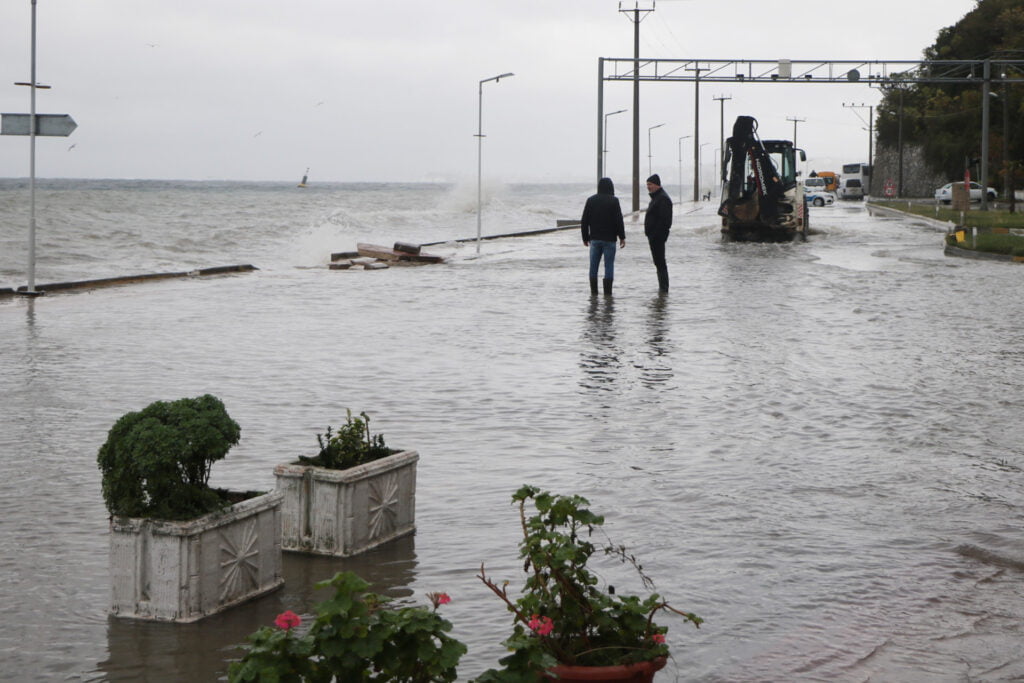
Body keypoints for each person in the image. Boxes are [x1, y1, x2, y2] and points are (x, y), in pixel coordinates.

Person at [580, 177, 626, 295]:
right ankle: (607, 294)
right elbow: (618, 220)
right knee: (609, 266)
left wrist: (585, 237)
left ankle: (594, 293)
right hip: (610, 240)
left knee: (593, 266)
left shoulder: (591, 200)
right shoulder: (614, 201)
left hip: (594, 239)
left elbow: (584, 220)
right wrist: (622, 237)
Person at [644, 174, 672, 293]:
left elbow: (665, 221)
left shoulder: (662, 198)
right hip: (654, 237)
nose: (648, 187)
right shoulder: (657, 197)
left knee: (660, 263)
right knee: (659, 263)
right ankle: (662, 288)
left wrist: (656, 235)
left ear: (657, 185)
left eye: (650, 184)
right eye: (647, 185)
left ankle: (663, 289)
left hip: (657, 238)